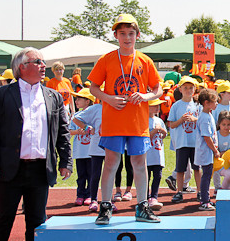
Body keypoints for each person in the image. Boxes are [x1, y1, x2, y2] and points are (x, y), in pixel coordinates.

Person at [0, 47, 73, 241]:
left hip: (40, 168)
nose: (43, 66)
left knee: (37, 220)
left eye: (43, 62)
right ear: (21, 67)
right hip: (9, 167)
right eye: (37, 61)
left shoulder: (53, 96)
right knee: (3, 218)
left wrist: (66, 161)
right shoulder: (2, 94)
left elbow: (63, 132)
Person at [87, 13, 162, 225]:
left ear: (137, 35)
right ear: (116, 36)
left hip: (137, 122)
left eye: (131, 33)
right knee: (111, 162)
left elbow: (158, 89)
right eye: (122, 34)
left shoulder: (145, 60)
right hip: (114, 121)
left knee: (139, 163)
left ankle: (142, 206)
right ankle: (105, 206)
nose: (127, 38)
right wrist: (108, 98)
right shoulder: (107, 59)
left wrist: (145, 96)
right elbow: (93, 87)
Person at [166, 76, 202, 203]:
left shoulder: (198, 105)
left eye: (191, 88)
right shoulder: (176, 106)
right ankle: (179, 192)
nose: (188, 90)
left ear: (194, 89)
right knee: (180, 169)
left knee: (197, 168)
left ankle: (200, 191)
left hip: (195, 142)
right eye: (185, 88)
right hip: (182, 142)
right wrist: (181, 120)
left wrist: (194, 119)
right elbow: (171, 124)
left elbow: (203, 121)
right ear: (180, 89)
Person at [68, 88, 94, 206]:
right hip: (80, 152)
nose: (76, 101)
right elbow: (70, 131)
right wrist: (78, 131)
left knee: (91, 174)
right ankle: (80, 195)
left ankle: (89, 195)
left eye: (79, 99)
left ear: (87, 101)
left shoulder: (93, 115)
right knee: (81, 175)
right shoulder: (76, 116)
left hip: (91, 152)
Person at [195, 89, 219, 210]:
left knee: (208, 174)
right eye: (214, 101)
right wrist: (215, 150)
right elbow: (207, 137)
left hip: (208, 151)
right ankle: (204, 200)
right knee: (206, 175)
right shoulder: (204, 118)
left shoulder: (208, 115)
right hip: (206, 151)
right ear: (206, 103)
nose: (217, 103)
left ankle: (206, 198)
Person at [146, 99, 167, 210]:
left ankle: (154, 196)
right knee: (147, 177)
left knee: (157, 176)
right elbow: (145, 137)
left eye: (158, 105)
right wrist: (154, 131)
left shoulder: (159, 120)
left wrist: (162, 131)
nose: (157, 108)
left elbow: (164, 134)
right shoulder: (144, 120)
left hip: (158, 154)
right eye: (154, 106)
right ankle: (145, 197)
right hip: (148, 155)